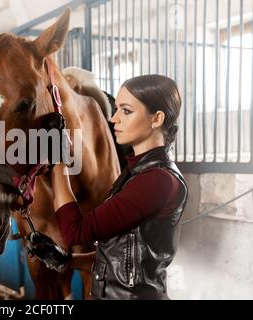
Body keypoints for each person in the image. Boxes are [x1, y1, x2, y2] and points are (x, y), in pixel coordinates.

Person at [50, 74, 188, 300]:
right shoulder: (135, 172)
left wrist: (58, 160)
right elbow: (117, 256)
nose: (114, 119)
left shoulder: (157, 181)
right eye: (116, 110)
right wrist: (67, 260)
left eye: (126, 111)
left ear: (157, 119)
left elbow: (76, 232)